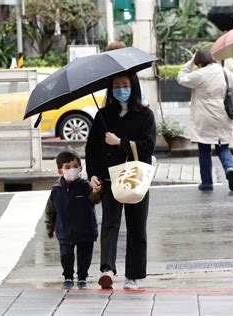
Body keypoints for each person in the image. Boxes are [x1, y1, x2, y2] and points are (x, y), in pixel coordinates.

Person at [85, 72, 156, 290]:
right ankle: (107, 269)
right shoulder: (103, 115)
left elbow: (148, 146)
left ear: (133, 87)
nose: (121, 89)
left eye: (125, 85)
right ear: (110, 89)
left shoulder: (145, 115)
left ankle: (132, 276)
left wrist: (120, 142)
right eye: (116, 86)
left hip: (136, 178)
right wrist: (93, 174)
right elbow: (92, 148)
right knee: (110, 223)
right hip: (109, 178)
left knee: (136, 226)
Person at [177, 49, 233, 191]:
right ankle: (229, 168)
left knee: (204, 149)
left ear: (199, 61)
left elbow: (181, 77)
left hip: (204, 117)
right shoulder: (225, 72)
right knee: (223, 146)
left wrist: (190, 62)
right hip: (223, 114)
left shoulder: (199, 75)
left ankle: (207, 182)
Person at [45, 150, 101, 289]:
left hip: (85, 231)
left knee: (84, 257)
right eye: (67, 167)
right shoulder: (56, 190)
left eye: (75, 166)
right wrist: (50, 228)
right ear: (60, 171)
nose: (72, 170)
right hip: (65, 232)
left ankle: (82, 277)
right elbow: (50, 211)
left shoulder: (85, 186)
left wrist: (96, 191)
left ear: (81, 168)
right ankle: (68, 277)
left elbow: (94, 200)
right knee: (66, 256)